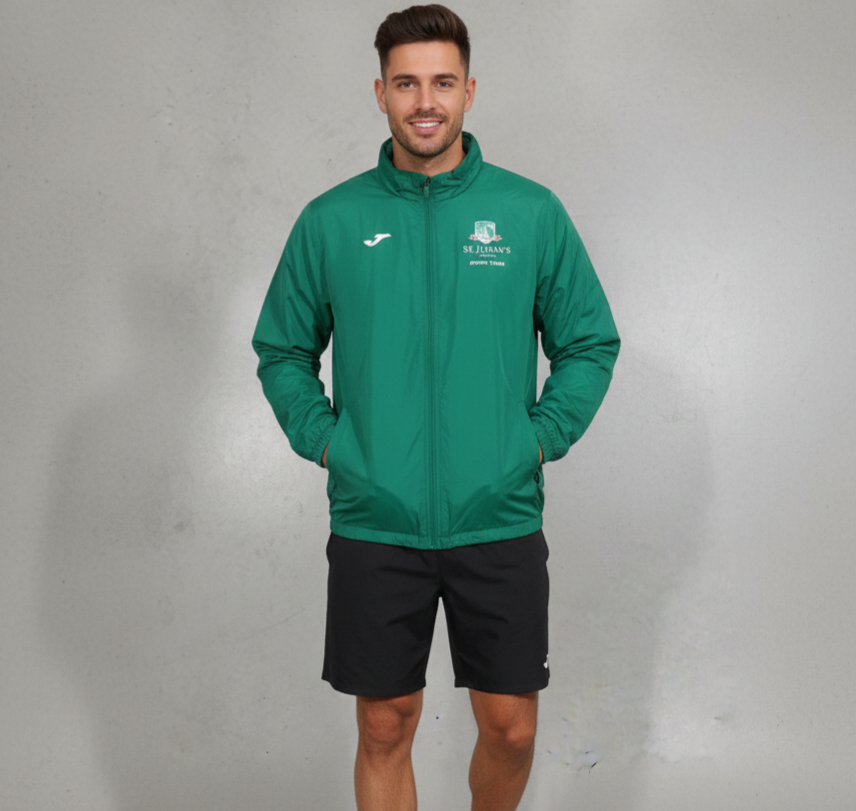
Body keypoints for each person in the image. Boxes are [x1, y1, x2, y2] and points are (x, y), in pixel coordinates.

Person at [252, 5, 619, 809]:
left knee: (511, 727)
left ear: (469, 91)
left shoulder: (529, 213)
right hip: (375, 519)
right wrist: (332, 445)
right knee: (385, 724)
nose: (426, 101)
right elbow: (281, 349)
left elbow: (589, 341)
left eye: (443, 82)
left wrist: (536, 439)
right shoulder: (332, 220)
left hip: (499, 513)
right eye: (407, 83)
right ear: (380, 92)